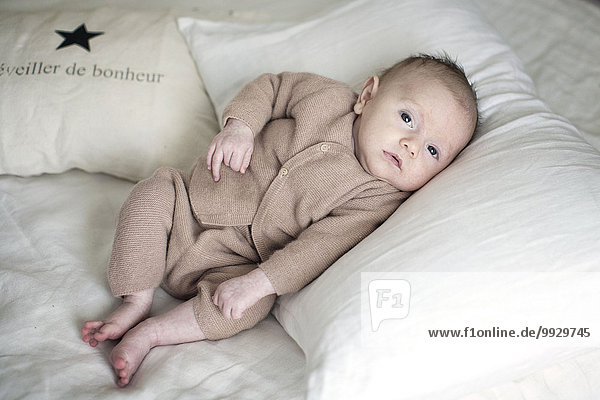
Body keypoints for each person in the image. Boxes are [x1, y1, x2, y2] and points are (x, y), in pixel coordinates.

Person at [81, 54, 479, 387]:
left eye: (432, 150)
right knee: (151, 192)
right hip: (188, 203)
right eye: (408, 118)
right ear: (367, 96)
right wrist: (241, 127)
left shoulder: (377, 199)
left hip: (235, 266)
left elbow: (319, 248)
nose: (411, 146)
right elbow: (272, 87)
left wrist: (257, 283)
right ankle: (136, 298)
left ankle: (151, 334)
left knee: (250, 308)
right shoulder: (326, 98)